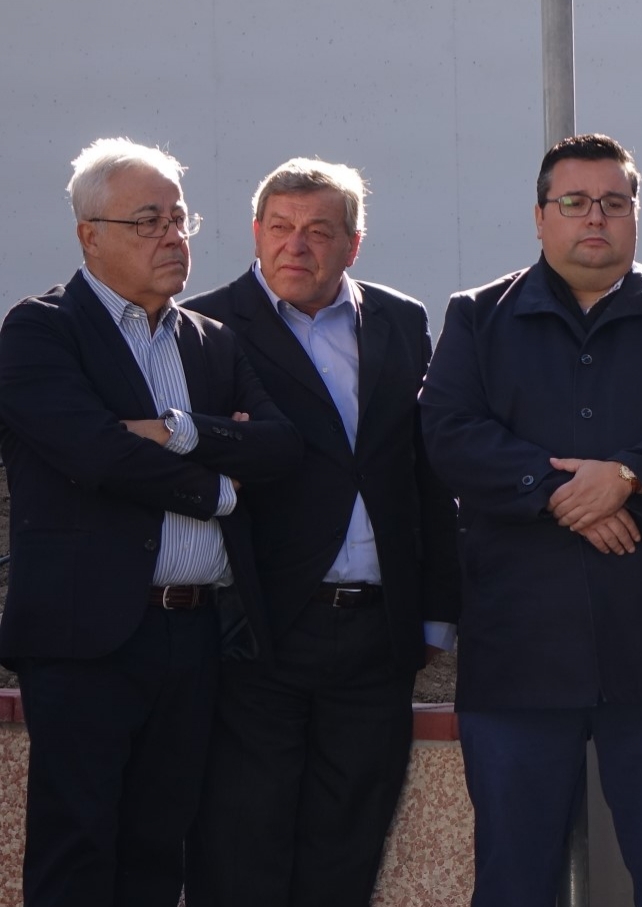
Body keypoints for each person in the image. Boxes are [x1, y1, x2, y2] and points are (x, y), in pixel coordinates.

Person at [419, 133, 642, 907]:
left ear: (636, 216)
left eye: (613, 202)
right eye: (574, 202)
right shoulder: (478, 317)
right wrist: (559, 491)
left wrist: (630, 475)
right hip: (522, 646)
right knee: (514, 875)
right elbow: (449, 431)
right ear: (541, 216)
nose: (594, 218)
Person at [0, 138, 302, 906]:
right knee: (78, 845)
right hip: (87, 637)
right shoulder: (40, 331)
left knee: (158, 846)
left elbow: (276, 445)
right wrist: (222, 491)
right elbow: (97, 456)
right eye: (148, 221)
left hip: (193, 636)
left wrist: (177, 429)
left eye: (180, 218)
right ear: (89, 236)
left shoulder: (212, 339)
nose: (173, 237)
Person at [181, 158, 461, 906]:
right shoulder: (204, 326)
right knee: (244, 844)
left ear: (353, 244)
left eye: (317, 231)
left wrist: (435, 606)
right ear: (255, 233)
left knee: (348, 845)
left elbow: (424, 470)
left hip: (377, 633)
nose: (295, 246)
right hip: (258, 629)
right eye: (280, 228)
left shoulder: (401, 321)